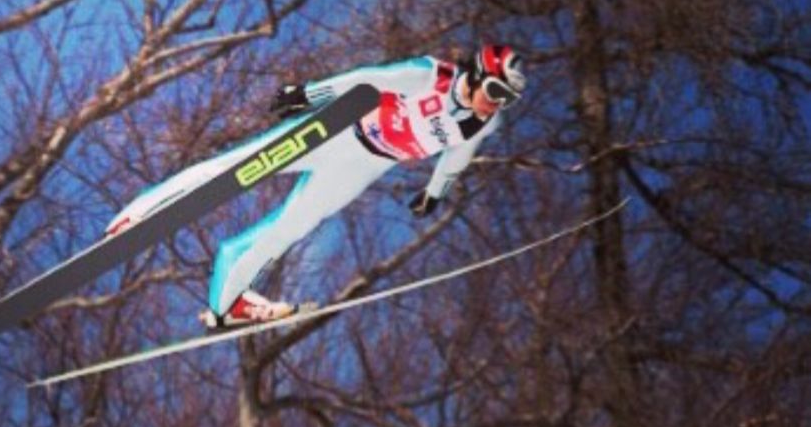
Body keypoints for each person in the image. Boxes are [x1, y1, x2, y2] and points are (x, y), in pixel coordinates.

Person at [105, 44, 527, 329]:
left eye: (504, 98)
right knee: (240, 168)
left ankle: (228, 302)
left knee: (292, 227)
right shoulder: (429, 77)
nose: (494, 102)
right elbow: (366, 79)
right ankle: (143, 212)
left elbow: (458, 156)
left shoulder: (483, 122)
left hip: (367, 163)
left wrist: (435, 192)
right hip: (339, 128)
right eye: (493, 89)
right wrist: (307, 95)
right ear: (474, 74)